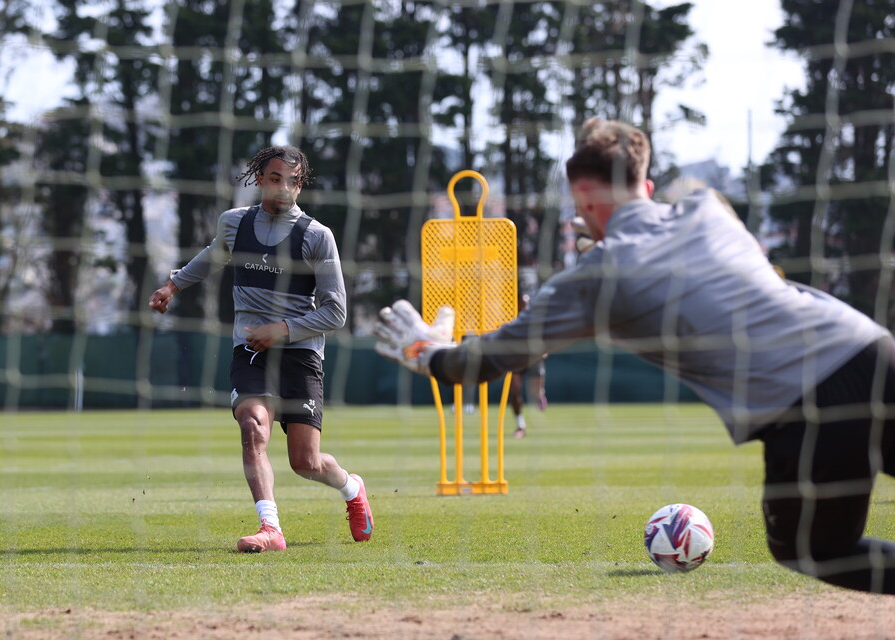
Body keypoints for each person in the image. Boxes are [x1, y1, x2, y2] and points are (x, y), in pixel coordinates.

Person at [374, 118, 895, 594]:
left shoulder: (595, 277)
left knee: (810, 548)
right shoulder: (707, 207)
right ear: (645, 183)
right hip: (872, 350)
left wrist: (425, 349)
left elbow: (483, 362)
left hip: (809, 406)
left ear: (582, 198)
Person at [149, 145, 373, 552]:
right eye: (274, 179)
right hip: (251, 349)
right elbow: (213, 255)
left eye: (293, 182)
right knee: (253, 427)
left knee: (305, 462)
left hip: (301, 355)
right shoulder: (235, 223)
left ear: (300, 186)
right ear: (260, 180)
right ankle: (271, 528)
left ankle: (352, 488)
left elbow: (336, 312)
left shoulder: (317, 236)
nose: (283, 188)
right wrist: (173, 285)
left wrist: (282, 330)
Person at [509, 292, 548, 438]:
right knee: (514, 391)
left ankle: (540, 395)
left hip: (533, 357)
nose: (524, 307)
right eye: (521, 303)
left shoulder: (536, 320)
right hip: (516, 358)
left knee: (535, 392)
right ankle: (520, 425)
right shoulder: (511, 320)